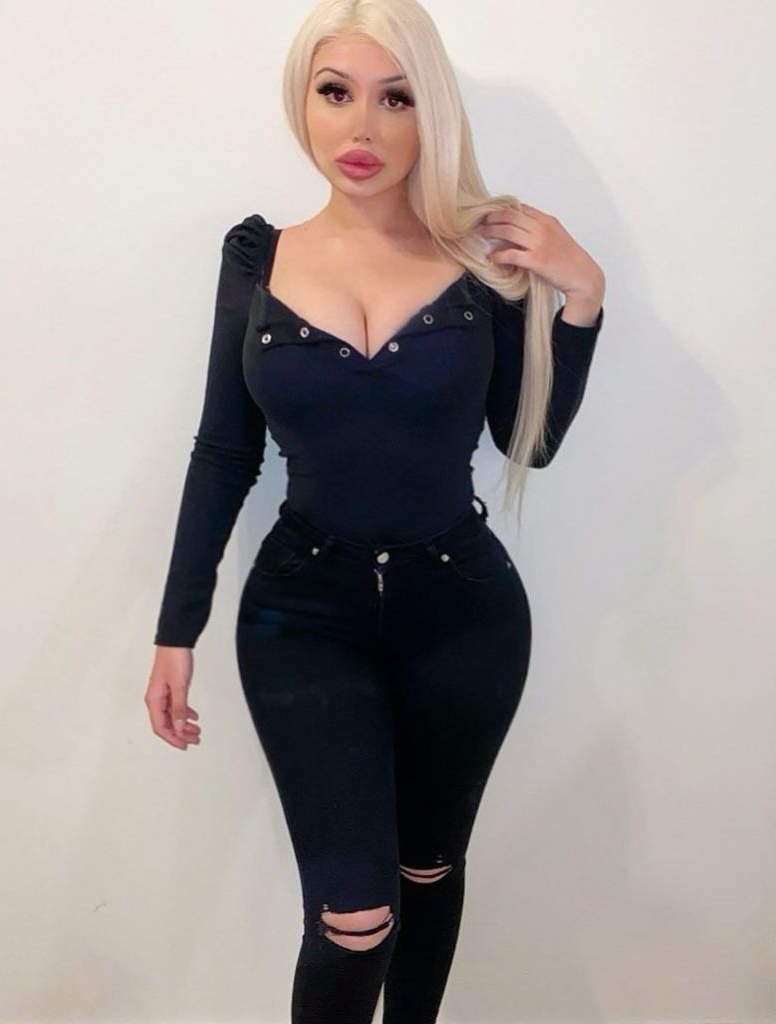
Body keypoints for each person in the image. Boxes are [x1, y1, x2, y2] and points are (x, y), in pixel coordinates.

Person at [145, 1, 605, 1020]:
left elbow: (526, 443)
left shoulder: (481, 264)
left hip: (465, 617)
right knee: (354, 913)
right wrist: (177, 628)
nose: (362, 127)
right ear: (302, 102)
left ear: (429, 113)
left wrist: (580, 297)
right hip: (302, 617)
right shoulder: (256, 257)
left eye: (396, 99)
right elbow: (225, 451)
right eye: (336, 92)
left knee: (428, 870)